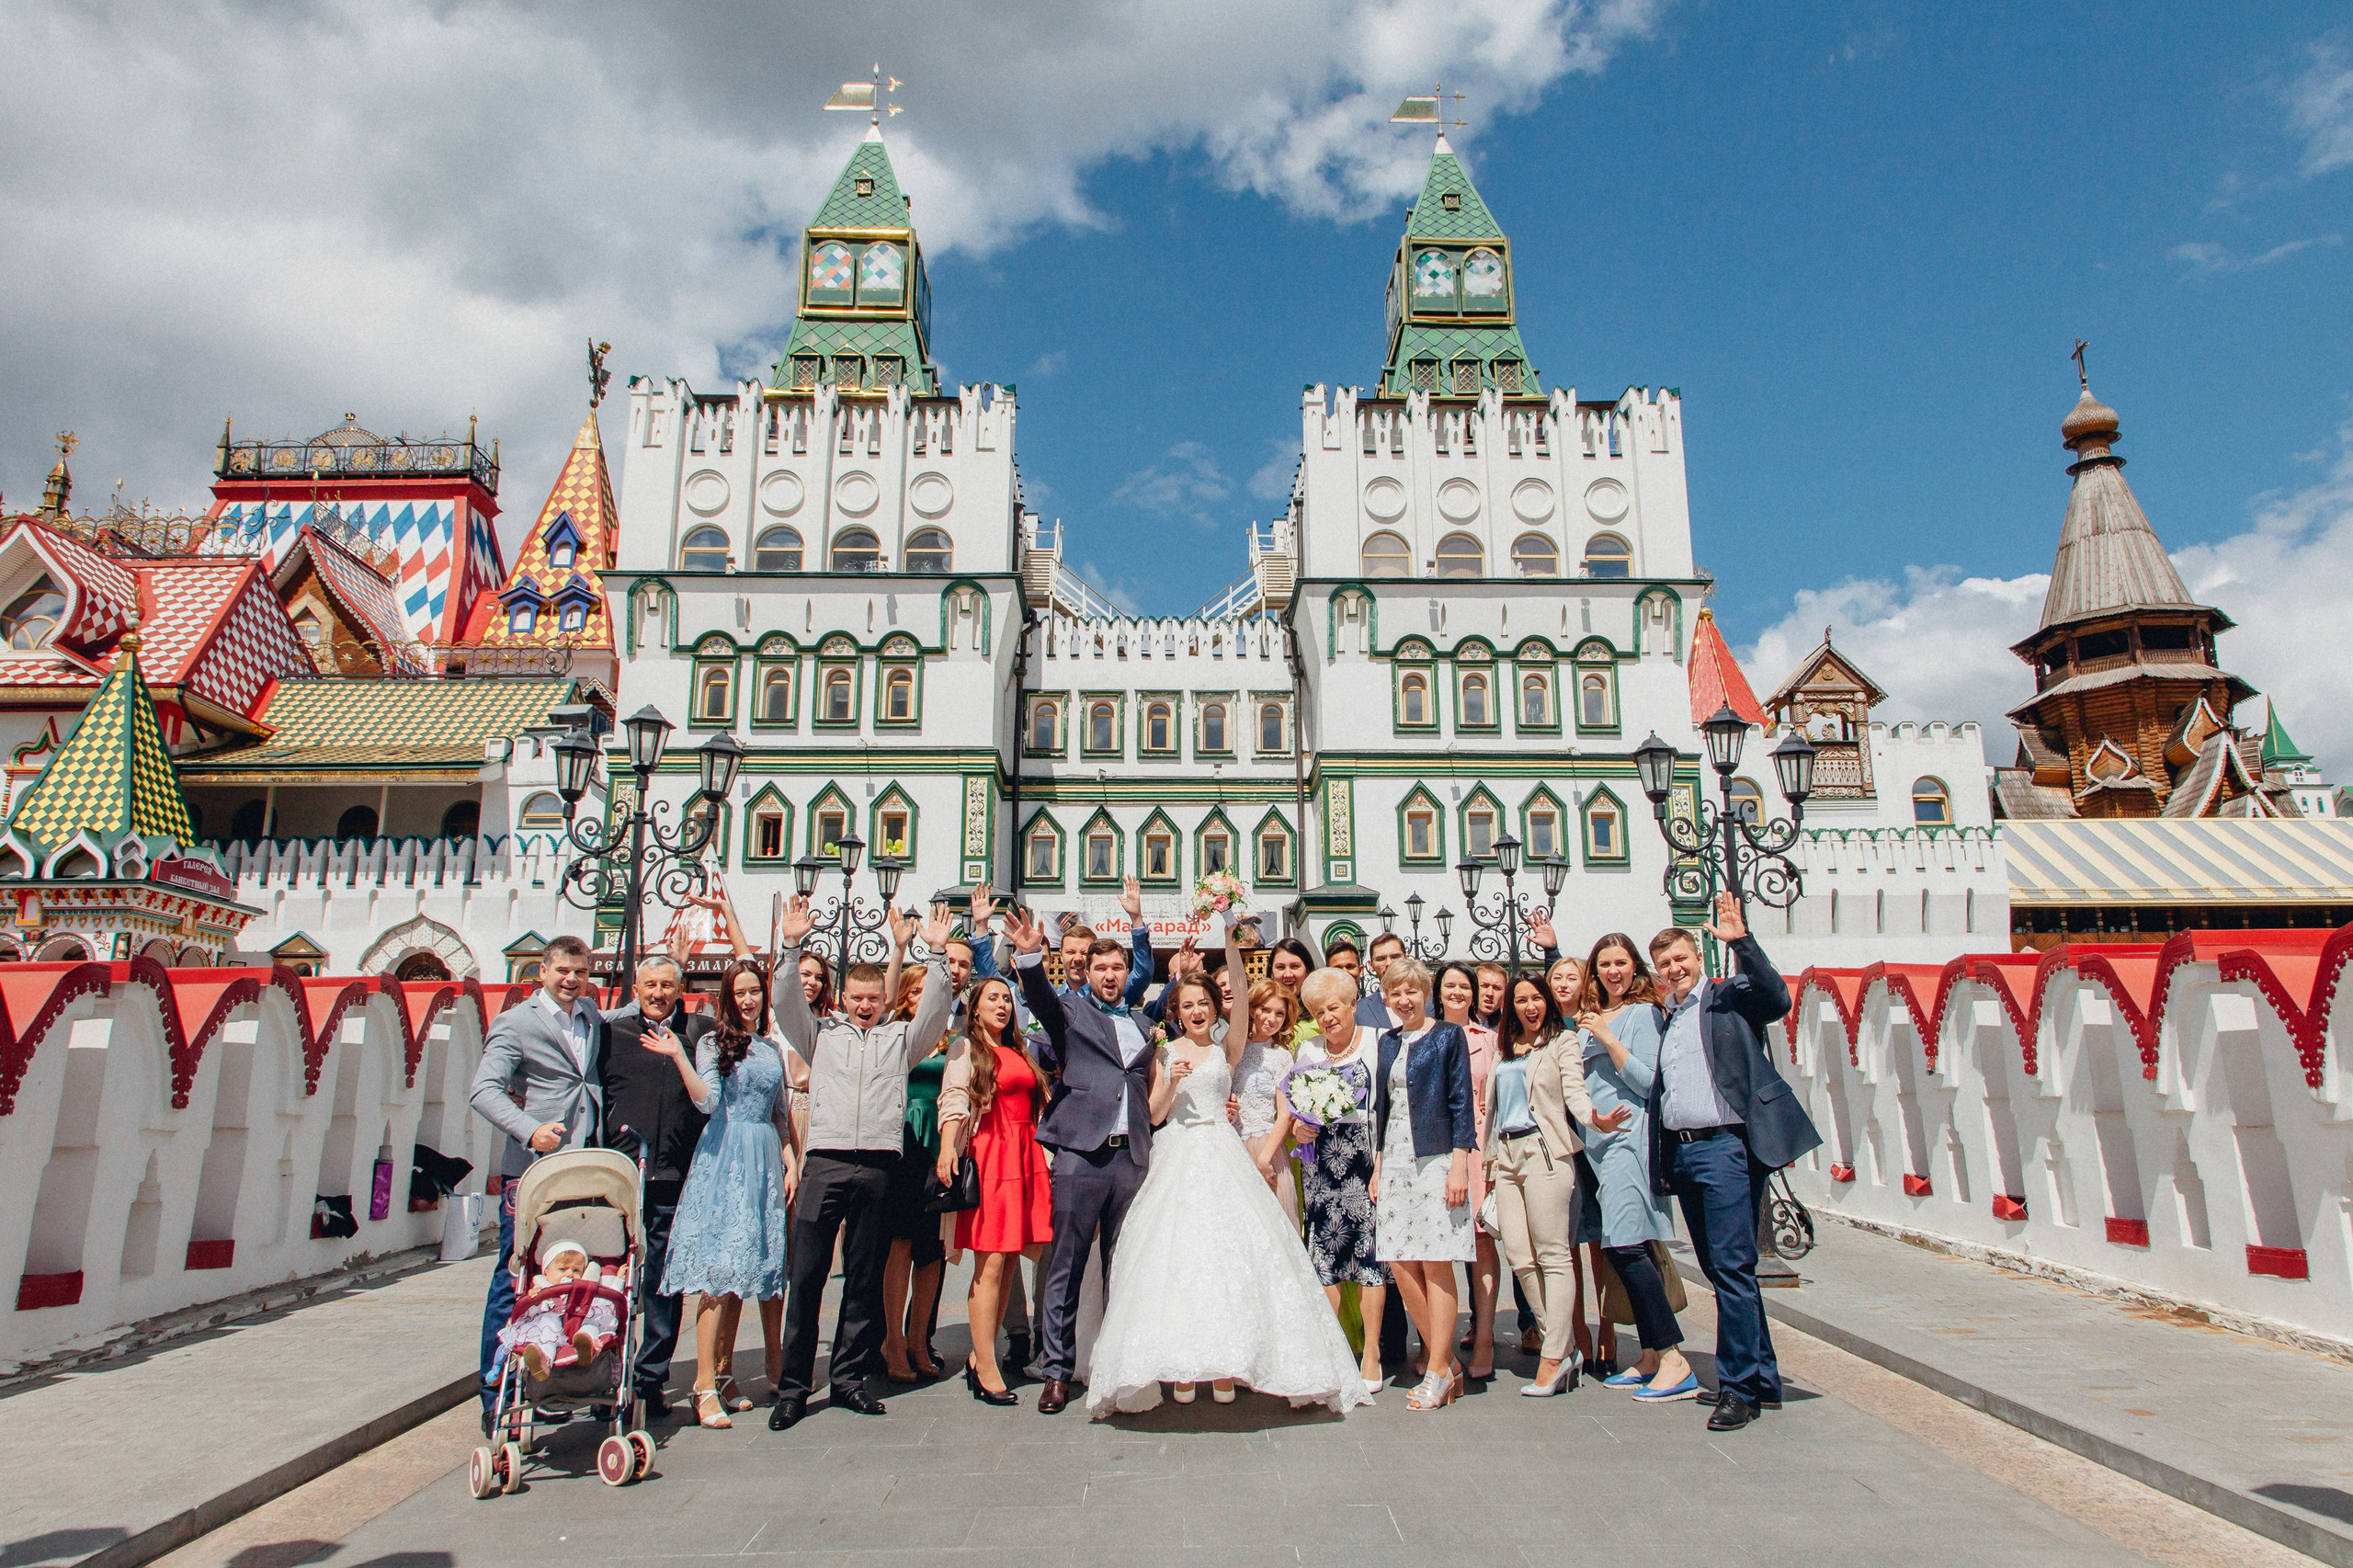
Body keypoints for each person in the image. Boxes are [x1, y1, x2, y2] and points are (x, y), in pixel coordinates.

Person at [1081, 953, 1373, 1417]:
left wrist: (1229, 930)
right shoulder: (1165, 1051)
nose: (1197, 1011)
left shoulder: (1226, 1049)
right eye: (1188, 1004)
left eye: (1205, 1003)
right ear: (1176, 1011)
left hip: (1222, 1149)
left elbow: (1242, 996)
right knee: (1177, 1257)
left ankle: (1225, 1367)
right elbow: (1155, 1115)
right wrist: (1170, 1085)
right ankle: (1178, 1367)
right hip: (1177, 1151)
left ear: (1216, 1009)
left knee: (1231, 1253)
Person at [771, 899, 955, 1429]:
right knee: (806, 1278)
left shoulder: (901, 1040)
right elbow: (786, 1006)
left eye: (874, 998)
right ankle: (793, 1389)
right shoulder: (821, 1035)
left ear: (885, 999)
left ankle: (849, 1380)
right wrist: (790, 946)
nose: (865, 1006)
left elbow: (936, 1014)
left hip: (877, 1165)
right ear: (844, 998)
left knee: (864, 1277)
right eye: (857, 997)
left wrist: (937, 957)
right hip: (825, 1161)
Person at [1648, 893, 1819, 1432]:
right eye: (1665, 965)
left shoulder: (1726, 997)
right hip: (1687, 1149)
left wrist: (1741, 942)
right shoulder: (1670, 1019)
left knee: (1732, 1267)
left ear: (1697, 959)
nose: (1674, 969)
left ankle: (1739, 1387)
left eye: (1681, 959)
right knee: (1723, 1268)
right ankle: (1763, 1376)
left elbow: (1776, 998)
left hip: (1725, 1147)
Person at [1002, 903, 1165, 1416]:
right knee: (1067, 1266)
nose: (1110, 975)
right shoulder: (1072, 1014)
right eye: (1101, 968)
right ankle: (1056, 1371)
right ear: (1088, 973)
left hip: (1132, 1159)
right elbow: (1043, 1003)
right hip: (1080, 1157)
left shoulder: (1142, 1022)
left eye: (1118, 968)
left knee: (1124, 1268)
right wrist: (1029, 959)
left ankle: (1119, 1365)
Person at [645, 956, 797, 1429]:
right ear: (728, 998)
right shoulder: (712, 1042)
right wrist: (677, 1057)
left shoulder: (771, 1049)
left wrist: (791, 1160)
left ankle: (727, 1374)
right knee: (717, 1268)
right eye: (740, 992)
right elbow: (707, 1101)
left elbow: (779, 1112)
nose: (748, 999)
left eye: (755, 991)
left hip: (766, 1158)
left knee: (743, 1269)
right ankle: (702, 1384)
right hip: (726, 1154)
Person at [469, 933, 607, 1430]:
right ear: (542, 973)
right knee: (514, 1279)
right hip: (531, 1172)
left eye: (581, 972)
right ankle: (493, 1393)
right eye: (563, 971)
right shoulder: (515, 1023)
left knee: (575, 1274)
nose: (572, 980)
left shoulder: (590, 1016)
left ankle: (565, 1377)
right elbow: (483, 1091)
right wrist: (530, 1130)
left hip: (584, 1170)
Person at [1491, 973, 1627, 1396]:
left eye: (1536, 998)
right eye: (1520, 1000)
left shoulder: (1561, 1043)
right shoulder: (1505, 1049)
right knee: (1517, 1252)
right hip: (1506, 1156)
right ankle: (1562, 1343)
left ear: (1548, 1002)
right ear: (1511, 1007)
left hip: (1544, 1152)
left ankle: (1553, 1358)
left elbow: (1574, 1091)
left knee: (1553, 1254)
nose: (1529, 1006)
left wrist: (1594, 1119)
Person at [1575, 933, 1693, 1403]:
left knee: (1626, 1248)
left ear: (1635, 968)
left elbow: (1650, 1082)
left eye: (1621, 962)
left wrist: (1606, 1038)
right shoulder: (1593, 1018)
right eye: (1604, 964)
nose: (1612, 971)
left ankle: (1673, 1358)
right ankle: (1648, 1355)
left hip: (1629, 1139)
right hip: (1600, 1148)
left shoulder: (1643, 1013)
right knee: (1624, 1247)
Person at [599, 951, 713, 1418]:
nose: (658, 994)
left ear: (679, 987)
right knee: (612, 1277)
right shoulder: (612, 1035)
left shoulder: (698, 1033)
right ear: (636, 989)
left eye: (668, 985)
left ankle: (650, 1377)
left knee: (664, 1281)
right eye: (650, 985)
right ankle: (605, 1369)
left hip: (674, 1174)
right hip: (619, 1179)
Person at [936, 973, 1051, 1403]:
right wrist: (948, 1146)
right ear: (975, 1007)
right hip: (991, 1157)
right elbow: (953, 1098)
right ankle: (985, 1366)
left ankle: (978, 1355)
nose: (1002, 1005)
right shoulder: (966, 1047)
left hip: (1023, 1155)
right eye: (992, 998)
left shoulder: (1018, 1049)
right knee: (990, 1261)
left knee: (1007, 1263)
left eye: (1006, 998)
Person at [1370, 958, 1475, 1412]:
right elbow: (1383, 1106)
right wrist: (1377, 1165)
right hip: (1393, 1159)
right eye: (1396, 993)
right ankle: (1446, 1361)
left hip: (1436, 1158)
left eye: (1411, 991)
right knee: (1397, 1259)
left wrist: (1458, 1167)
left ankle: (1436, 1369)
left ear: (1425, 993)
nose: (1404, 1000)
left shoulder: (1448, 1035)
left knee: (1435, 1262)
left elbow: (1460, 1102)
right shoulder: (1388, 1042)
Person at [1283, 967, 1389, 1389]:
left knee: (1367, 1257)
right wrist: (1299, 1129)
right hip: (1321, 1164)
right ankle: (1331, 1350)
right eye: (1318, 1011)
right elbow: (1295, 1111)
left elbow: (1391, 1104)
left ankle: (1373, 1354)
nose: (1327, 1017)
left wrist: (1382, 1160)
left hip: (1364, 1157)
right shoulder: (1307, 1050)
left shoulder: (1378, 1043)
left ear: (1350, 1005)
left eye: (1334, 1007)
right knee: (1324, 1256)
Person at [879, 956, 948, 1385]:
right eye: (916, 991)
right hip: (902, 1141)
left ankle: (920, 1338)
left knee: (932, 1248)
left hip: (940, 1145)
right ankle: (893, 1339)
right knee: (899, 1243)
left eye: (930, 991)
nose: (923, 998)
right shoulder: (893, 1035)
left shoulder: (951, 1038)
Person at [1434, 962, 1501, 1381]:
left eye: (1464, 986)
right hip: (1433, 1147)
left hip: (1477, 1146)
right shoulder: (1424, 1035)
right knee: (1436, 1247)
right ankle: (1437, 1342)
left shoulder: (1489, 1040)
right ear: (1437, 992)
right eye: (1449, 986)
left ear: (1475, 995)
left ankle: (1486, 1338)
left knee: (1481, 1245)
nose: (1457, 992)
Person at [498, 1240, 620, 1379]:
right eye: (562, 1269)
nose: (569, 1274)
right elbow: (528, 1315)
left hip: (580, 1322)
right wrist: (534, 1300)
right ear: (545, 1273)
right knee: (546, 1330)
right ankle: (543, 1362)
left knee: (592, 1325)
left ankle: (586, 1346)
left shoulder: (587, 1290)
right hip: (553, 1330)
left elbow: (610, 1301)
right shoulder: (541, 1289)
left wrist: (620, 1280)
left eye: (576, 1270)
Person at [1233, 979, 1300, 1221]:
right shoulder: (1232, 1048)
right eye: (1265, 1010)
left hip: (1267, 1147)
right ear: (1252, 1010)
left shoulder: (1281, 1057)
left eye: (1279, 1013)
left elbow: (1285, 1114)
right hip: (1232, 1145)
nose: (1272, 1019)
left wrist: (1264, 1158)